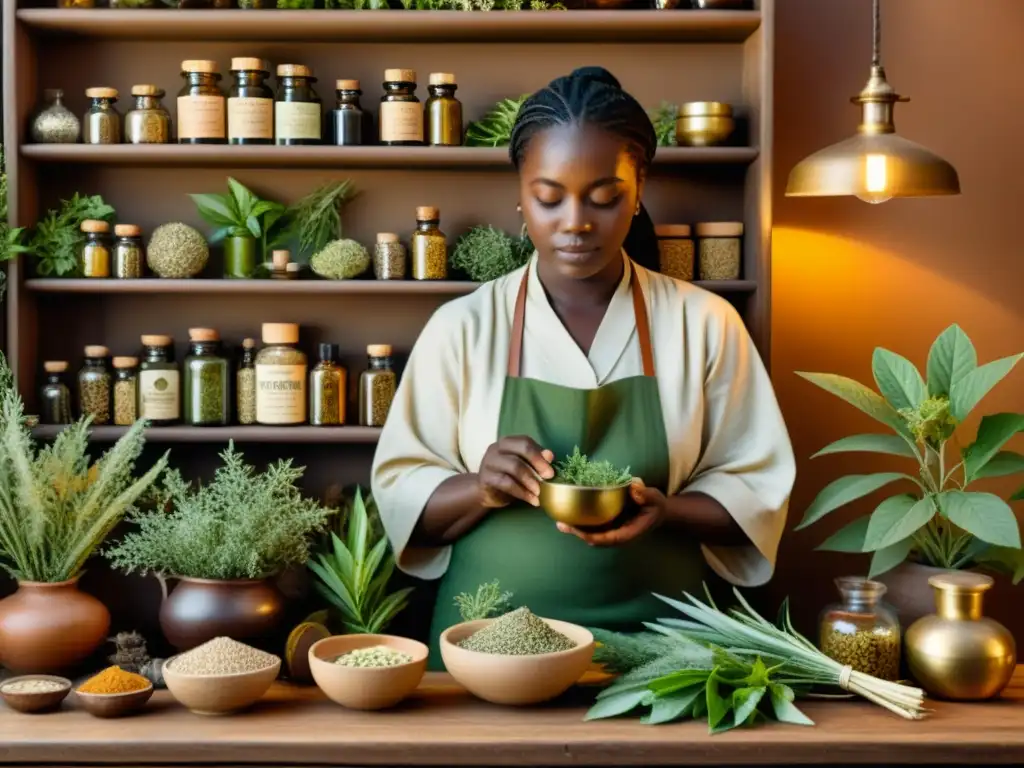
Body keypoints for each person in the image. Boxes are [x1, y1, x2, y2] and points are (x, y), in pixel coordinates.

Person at [371, 66, 795, 668]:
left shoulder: (704, 323)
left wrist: (666, 510)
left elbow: (758, 492)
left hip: (667, 650)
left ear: (639, 187)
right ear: (520, 194)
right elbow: (401, 497)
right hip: (489, 653)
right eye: (549, 198)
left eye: (604, 197)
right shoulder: (463, 327)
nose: (575, 222)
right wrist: (483, 486)